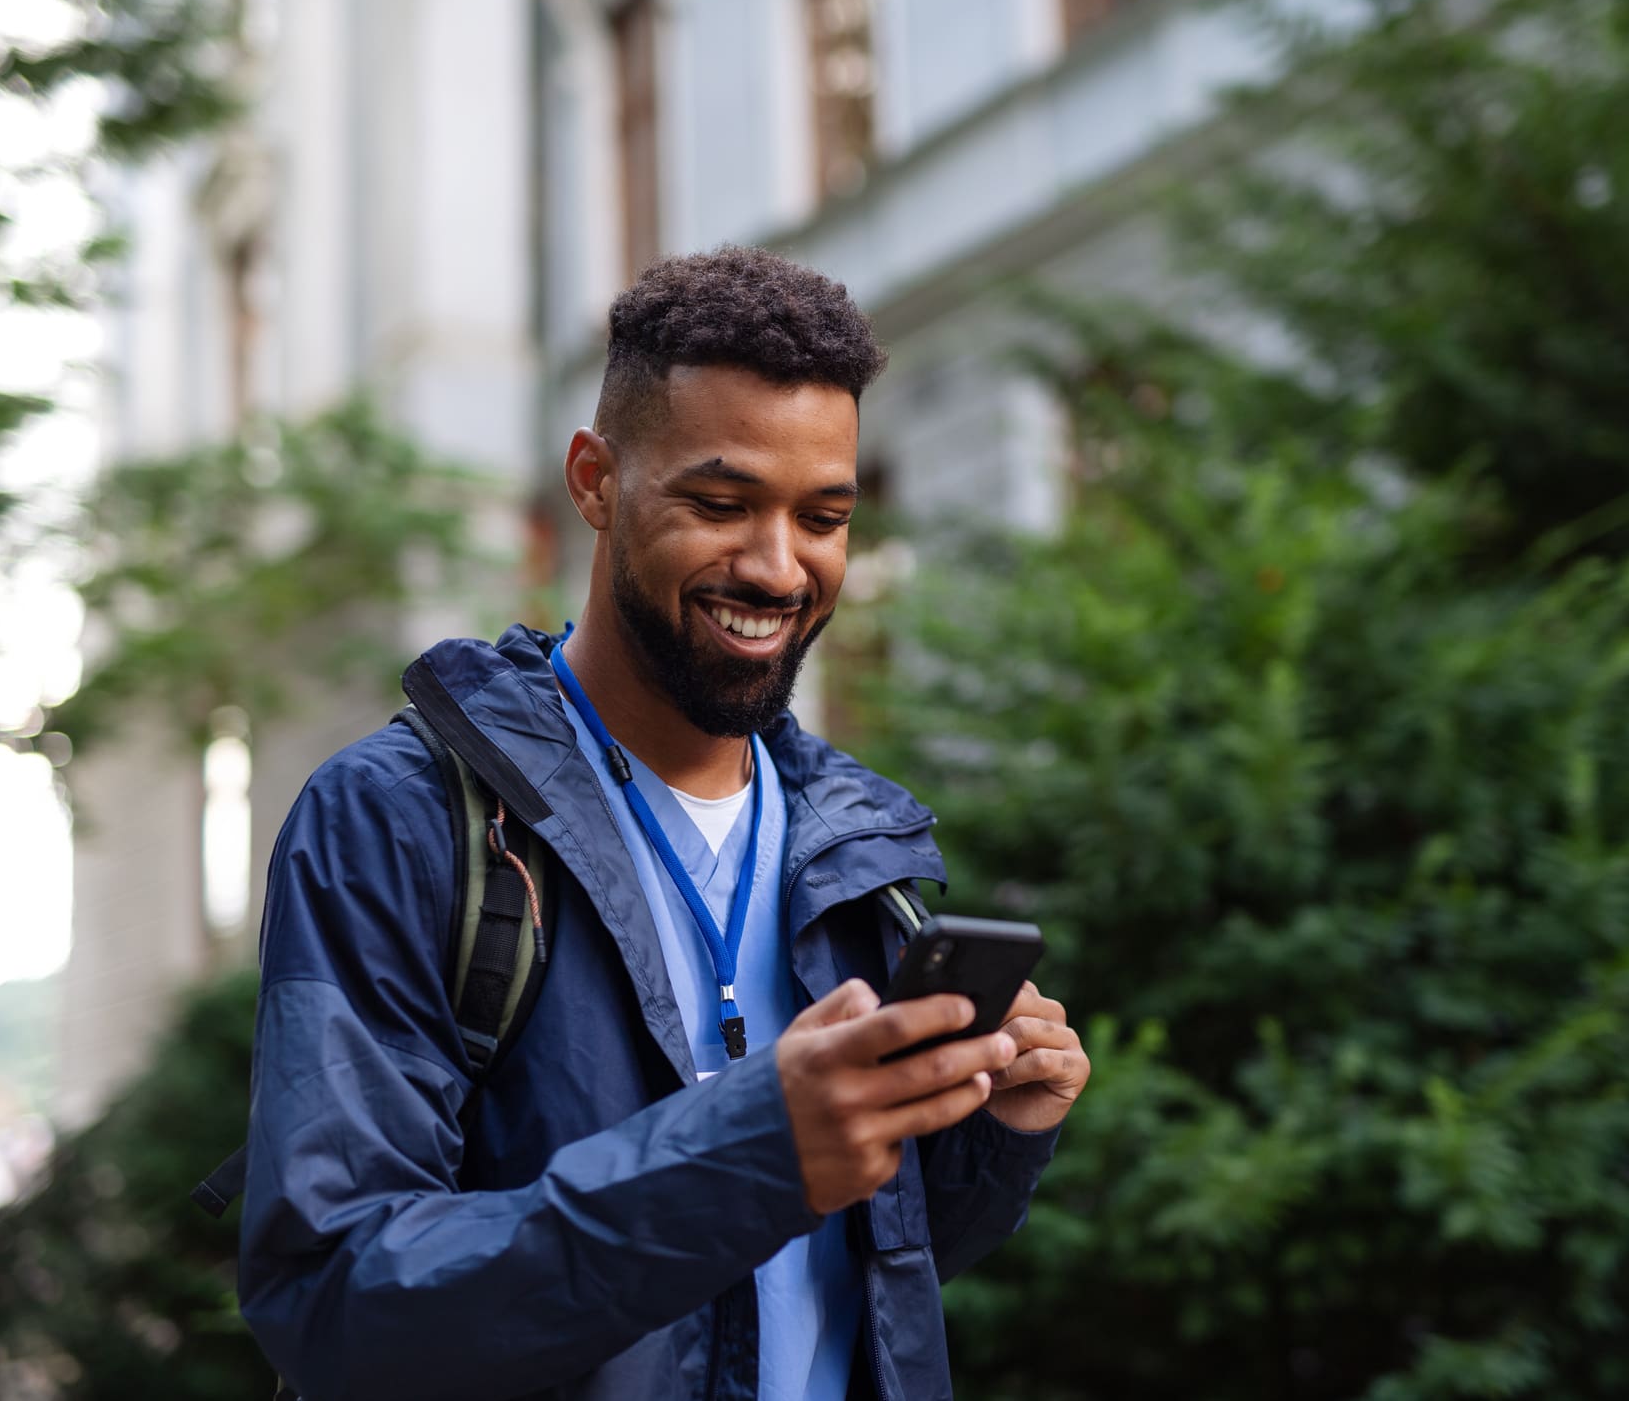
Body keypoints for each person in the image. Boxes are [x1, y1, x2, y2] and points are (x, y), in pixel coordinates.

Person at [236, 246, 1090, 1401]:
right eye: (720, 502)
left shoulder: (857, 846)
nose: (779, 567)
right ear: (594, 479)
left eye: (824, 515)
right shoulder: (398, 819)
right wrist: (748, 1153)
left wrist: (992, 1135)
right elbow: (337, 1299)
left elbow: (852, 1277)